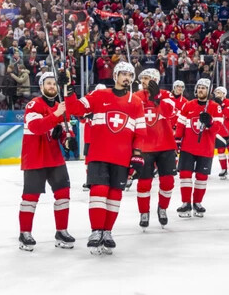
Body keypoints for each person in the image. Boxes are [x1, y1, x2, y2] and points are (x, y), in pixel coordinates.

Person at [64, 62, 146, 255]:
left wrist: (137, 154)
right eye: (123, 74)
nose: (127, 78)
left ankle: (107, 232)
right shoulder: (99, 95)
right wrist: (69, 91)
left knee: (115, 195)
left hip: (122, 156)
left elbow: (140, 132)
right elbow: (75, 108)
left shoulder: (136, 102)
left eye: (130, 75)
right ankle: (96, 231)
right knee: (99, 191)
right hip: (99, 154)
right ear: (115, 76)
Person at [17, 72, 75, 251]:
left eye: (54, 83)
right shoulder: (33, 105)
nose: (52, 86)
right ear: (41, 86)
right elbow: (36, 127)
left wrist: (68, 140)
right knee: (30, 198)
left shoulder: (61, 107)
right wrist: (56, 115)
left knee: (63, 194)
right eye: (48, 83)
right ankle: (25, 233)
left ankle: (61, 231)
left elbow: (66, 131)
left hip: (54, 158)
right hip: (35, 158)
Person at [134, 69, 178, 230]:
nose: (143, 81)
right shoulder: (136, 96)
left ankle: (162, 208)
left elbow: (170, 112)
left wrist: (157, 97)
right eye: (142, 78)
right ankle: (144, 212)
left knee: (168, 181)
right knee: (144, 183)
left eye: (147, 78)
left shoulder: (166, 95)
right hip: (145, 146)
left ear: (155, 80)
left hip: (166, 145)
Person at [174, 78, 223, 218]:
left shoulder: (215, 107)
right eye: (199, 87)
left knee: (201, 177)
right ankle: (185, 203)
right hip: (187, 148)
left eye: (204, 88)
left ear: (209, 91)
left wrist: (210, 122)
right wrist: (177, 140)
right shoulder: (188, 105)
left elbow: (217, 129)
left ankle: (197, 203)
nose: (201, 90)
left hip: (205, 148)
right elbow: (180, 124)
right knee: (185, 175)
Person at [213, 86, 229, 180]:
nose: (217, 94)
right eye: (216, 93)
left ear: (224, 94)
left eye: (219, 92)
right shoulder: (213, 103)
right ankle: (223, 169)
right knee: (220, 151)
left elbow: (228, 114)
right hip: (219, 132)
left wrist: (220, 105)